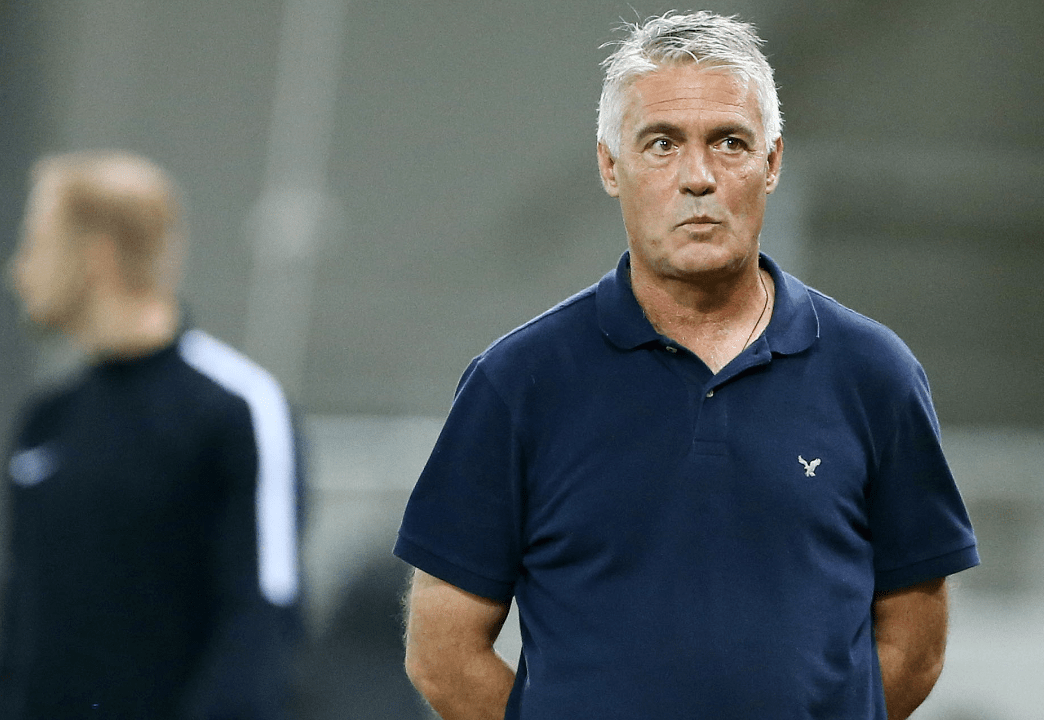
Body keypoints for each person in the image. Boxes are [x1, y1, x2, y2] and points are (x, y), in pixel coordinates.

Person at [395, 11, 978, 720]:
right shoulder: (517, 383)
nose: (698, 177)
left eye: (729, 142)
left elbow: (915, 645)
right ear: (611, 166)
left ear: (772, 163)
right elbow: (442, 654)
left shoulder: (873, 375)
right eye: (662, 144)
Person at [1, 151, 305, 719]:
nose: (19, 270)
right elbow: (22, 619)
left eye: (36, 244)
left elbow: (263, 609)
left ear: (96, 255)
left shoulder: (237, 408)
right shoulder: (46, 421)